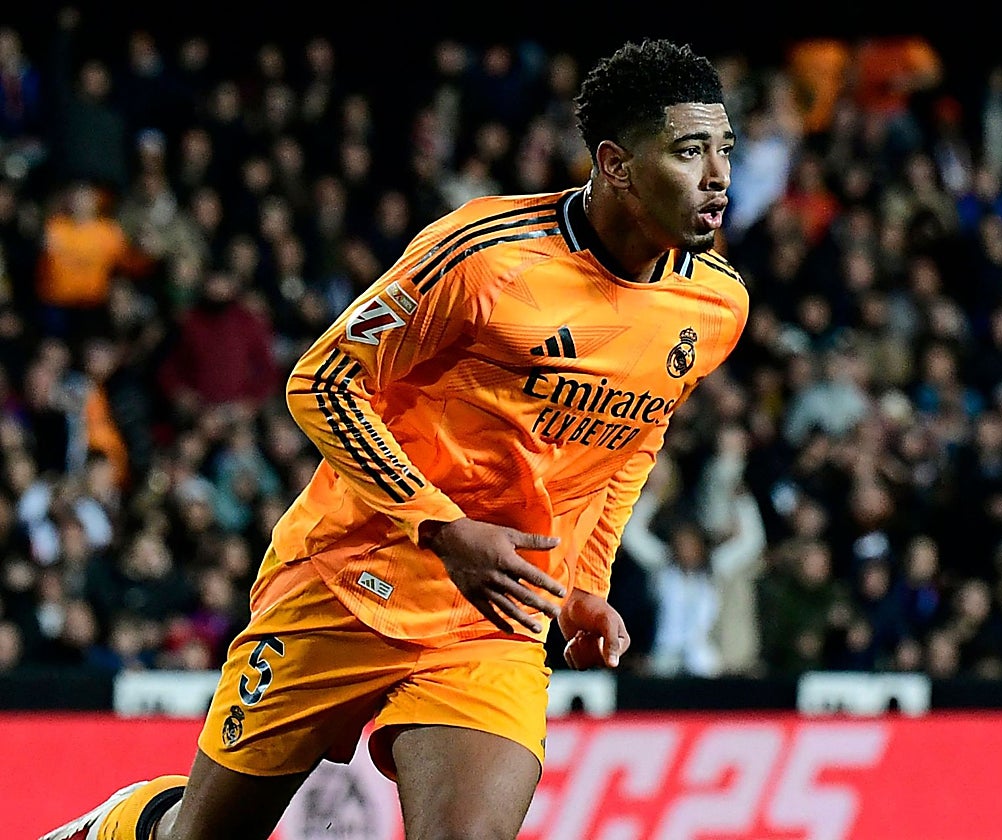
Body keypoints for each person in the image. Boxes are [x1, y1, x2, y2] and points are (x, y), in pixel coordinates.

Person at [38, 37, 748, 840]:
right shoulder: (485, 258)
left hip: (494, 614)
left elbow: (633, 438)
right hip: (349, 575)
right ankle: (116, 826)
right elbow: (321, 382)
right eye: (690, 152)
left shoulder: (715, 304)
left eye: (725, 147)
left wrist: (584, 579)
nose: (720, 174)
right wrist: (442, 528)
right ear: (616, 164)